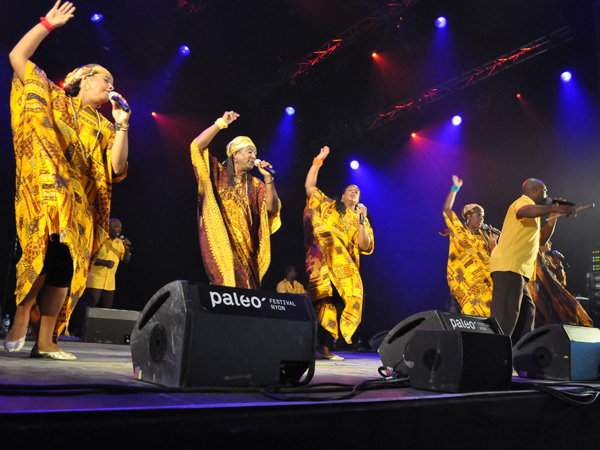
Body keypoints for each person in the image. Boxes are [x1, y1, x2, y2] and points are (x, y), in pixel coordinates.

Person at [4, 1, 130, 360]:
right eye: (106, 79)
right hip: (46, 188)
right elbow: (17, 57)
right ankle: (22, 314)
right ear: (84, 78)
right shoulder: (54, 98)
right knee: (44, 254)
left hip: (80, 202)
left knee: (66, 264)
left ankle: (45, 341)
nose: (110, 86)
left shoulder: (106, 126)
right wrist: (48, 24)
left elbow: (117, 168)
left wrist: (122, 124)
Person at [190, 111, 281, 289]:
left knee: (249, 293)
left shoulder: (255, 184)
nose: (254, 157)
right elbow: (197, 147)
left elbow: (271, 208)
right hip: (221, 245)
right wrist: (221, 123)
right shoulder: (216, 173)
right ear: (235, 155)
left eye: (255, 153)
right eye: (249, 152)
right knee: (226, 288)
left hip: (247, 252)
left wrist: (268, 179)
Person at [304, 146, 374, 360]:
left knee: (337, 303)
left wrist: (362, 221)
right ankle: (311, 346)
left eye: (358, 191)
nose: (354, 192)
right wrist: (318, 160)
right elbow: (310, 187)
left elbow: (364, 245)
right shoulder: (330, 206)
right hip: (323, 264)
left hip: (345, 270)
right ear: (342, 195)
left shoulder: (362, 219)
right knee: (320, 303)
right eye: (350, 190)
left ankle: (324, 348)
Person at [489, 179, 578, 344]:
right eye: (545, 191)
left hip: (519, 271)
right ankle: (492, 360)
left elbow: (542, 239)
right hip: (509, 265)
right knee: (505, 318)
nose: (547, 196)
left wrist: (554, 215)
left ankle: (516, 358)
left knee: (526, 317)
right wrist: (554, 207)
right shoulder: (524, 202)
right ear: (535, 190)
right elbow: (523, 211)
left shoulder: (534, 215)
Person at [442, 175, 498, 317]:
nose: (481, 219)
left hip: (487, 280)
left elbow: (492, 259)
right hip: (466, 280)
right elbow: (447, 209)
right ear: (468, 216)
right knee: (472, 310)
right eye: (478, 215)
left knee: (491, 309)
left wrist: (493, 243)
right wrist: (455, 188)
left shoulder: (484, 235)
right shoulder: (459, 231)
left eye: (483, 216)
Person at [528, 241, 593, 327]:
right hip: (541, 296)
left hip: (554, 297)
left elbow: (561, 281)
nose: (550, 243)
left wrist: (559, 264)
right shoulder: (535, 260)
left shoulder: (549, 259)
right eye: (547, 241)